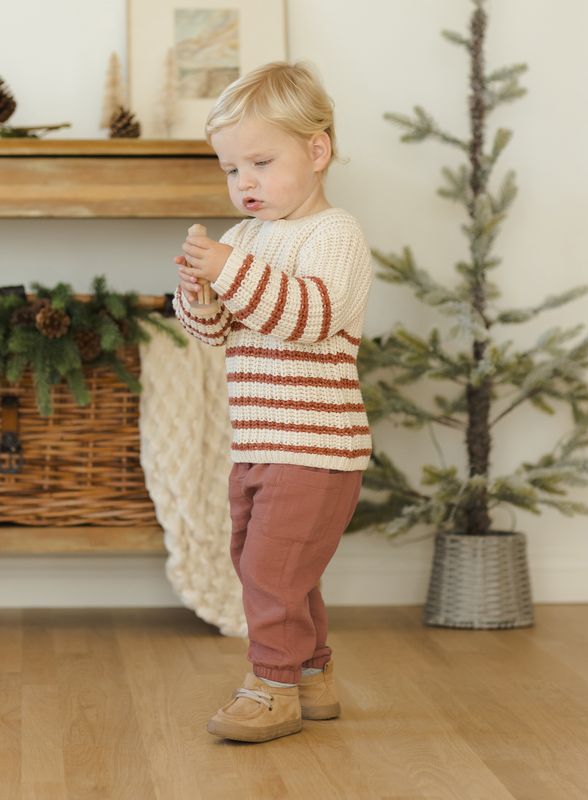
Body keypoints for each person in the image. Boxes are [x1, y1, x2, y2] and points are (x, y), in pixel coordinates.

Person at [172, 61, 373, 743]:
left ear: (316, 152)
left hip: (317, 448)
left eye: (261, 161)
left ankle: (272, 687)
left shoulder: (333, 234)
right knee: (270, 564)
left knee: (271, 569)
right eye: (232, 169)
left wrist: (229, 271)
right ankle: (312, 678)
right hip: (260, 443)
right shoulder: (245, 239)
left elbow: (309, 317)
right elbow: (216, 336)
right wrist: (199, 295)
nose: (244, 182)